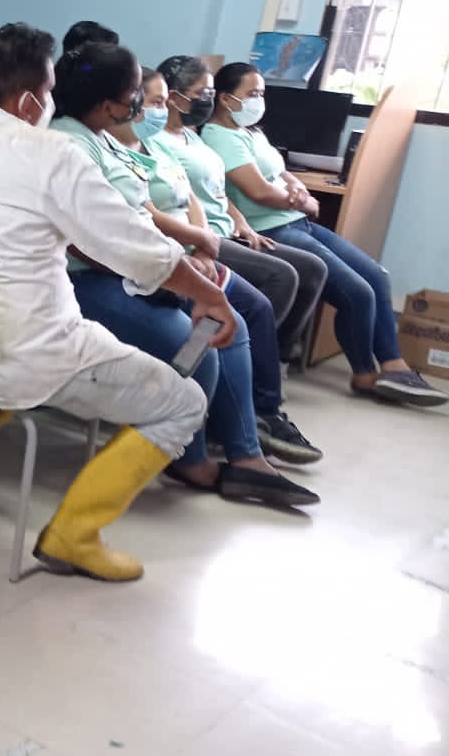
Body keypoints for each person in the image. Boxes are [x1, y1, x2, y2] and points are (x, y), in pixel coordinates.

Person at [0, 22, 241, 583]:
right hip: (19, 352)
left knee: (26, 340)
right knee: (182, 403)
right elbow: (133, 246)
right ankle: (74, 535)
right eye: (49, 92)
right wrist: (209, 295)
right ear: (29, 101)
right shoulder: (48, 153)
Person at [49, 44, 319, 503]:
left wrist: (181, 256)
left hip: (134, 266)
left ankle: (246, 455)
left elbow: (141, 208)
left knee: (226, 325)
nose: (139, 102)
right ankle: (188, 458)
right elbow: (85, 242)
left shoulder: (103, 138)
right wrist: (165, 270)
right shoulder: (69, 145)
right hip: (88, 279)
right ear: (108, 102)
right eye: (135, 93)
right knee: (195, 345)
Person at [107, 66, 323, 465]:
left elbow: (195, 199)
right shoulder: (116, 149)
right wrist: (199, 245)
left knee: (257, 305)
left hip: (197, 246)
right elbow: (145, 212)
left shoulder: (156, 145)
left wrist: (206, 244)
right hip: (163, 256)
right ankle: (216, 418)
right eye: (154, 102)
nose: (159, 110)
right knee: (232, 316)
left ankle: (253, 411)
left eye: (161, 101)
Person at [203, 63, 446, 407]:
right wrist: (300, 200)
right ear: (226, 99)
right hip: (270, 228)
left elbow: (282, 172)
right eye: (251, 94)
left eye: (261, 93)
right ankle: (364, 373)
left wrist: (297, 188)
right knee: (357, 293)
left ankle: (394, 365)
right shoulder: (218, 137)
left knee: (377, 277)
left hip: (295, 220)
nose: (259, 100)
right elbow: (258, 191)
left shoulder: (250, 132)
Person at [151, 56, 328, 366]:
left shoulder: (192, 135)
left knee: (312, 269)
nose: (208, 99)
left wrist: (241, 221)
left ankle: (269, 359)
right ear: (174, 97)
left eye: (211, 92)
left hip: (223, 230)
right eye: (202, 93)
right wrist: (203, 243)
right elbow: (178, 200)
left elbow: (215, 191)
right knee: (280, 277)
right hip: (202, 237)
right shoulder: (157, 142)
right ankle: (213, 361)